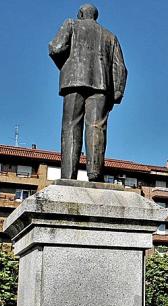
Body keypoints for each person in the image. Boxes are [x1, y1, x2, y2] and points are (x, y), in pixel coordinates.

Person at [49, 3, 127, 181]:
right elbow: (120, 67)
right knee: (96, 127)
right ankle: (95, 174)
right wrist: (117, 93)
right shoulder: (110, 36)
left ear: (80, 14)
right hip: (101, 86)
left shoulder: (71, 24)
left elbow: (56, 48)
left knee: (70, 126)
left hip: (73, 81)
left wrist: (66, 66)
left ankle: (68, 176)